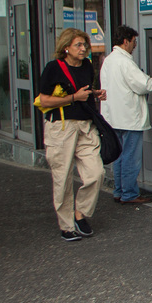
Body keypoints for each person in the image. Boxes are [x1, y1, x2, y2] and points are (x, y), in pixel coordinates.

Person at [38, 28, 108, 242]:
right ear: (66, 47)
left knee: (96, 173)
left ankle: (80, 214)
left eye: (85, 45)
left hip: (85, 126)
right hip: (61, 128)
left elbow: (83, 90)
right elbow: (43, 100)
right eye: (78, 45)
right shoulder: (53, 68)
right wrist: (73, 98)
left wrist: (94, 93)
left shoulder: (87, 66)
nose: (83, 49)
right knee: (62, 177)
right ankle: (66, 225)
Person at [100, 25, 152, 204]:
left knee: (119, 157)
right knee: (131, 158)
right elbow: (145, 85)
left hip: (113, 118)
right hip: (129, 119)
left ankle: (118, 191)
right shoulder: (125, 62)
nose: (135, 45)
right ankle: (129, 194)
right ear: (126, 41)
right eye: (134, 41)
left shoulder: (108, 60)